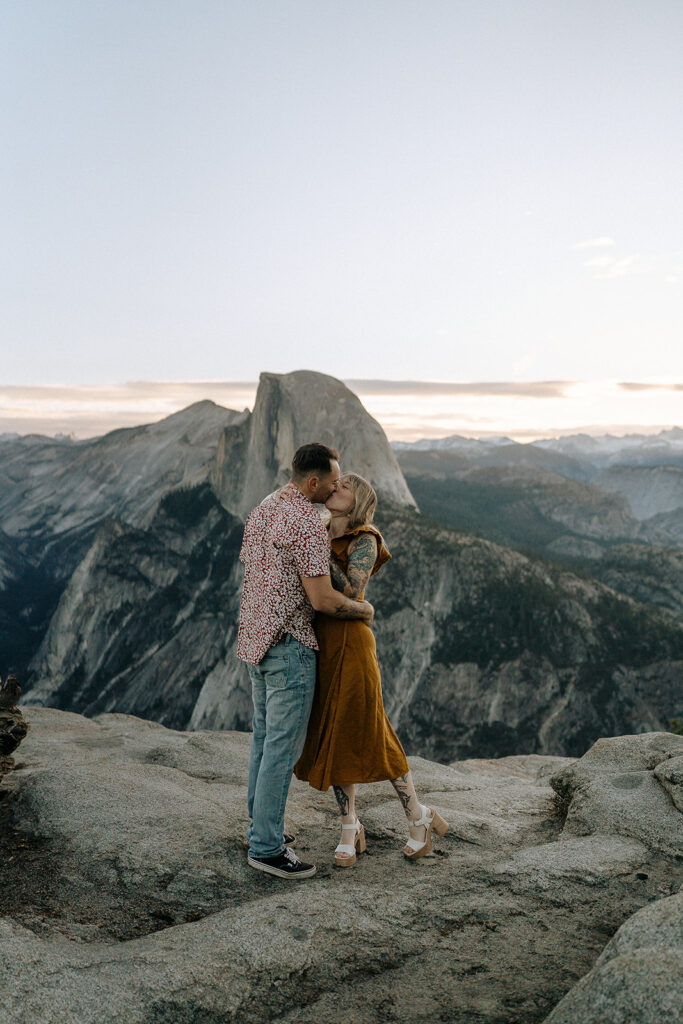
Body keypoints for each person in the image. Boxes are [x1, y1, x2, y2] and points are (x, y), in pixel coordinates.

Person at [294, 473, 449, 865]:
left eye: (344, 486)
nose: (335, 488)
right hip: (323, 646)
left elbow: (350, 589)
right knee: (334, 731)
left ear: (358, 500)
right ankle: (350, 824)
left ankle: (418, 815)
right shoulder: (322, 529)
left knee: (372, 728)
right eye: (336, 483)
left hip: (354, 647)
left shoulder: (365, 539)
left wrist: (317, 549)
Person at [236, 443, 375, 880]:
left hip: (255, 640)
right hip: (290, 646)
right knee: (282, 747)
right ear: (313, 483)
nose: (338, 486)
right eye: (333, 481)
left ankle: (259, 828)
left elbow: (253, 565)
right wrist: (365, 611)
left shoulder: (265, 506)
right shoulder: (306, 523)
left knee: (263, 739)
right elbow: (322, 599)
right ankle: (266, 848)